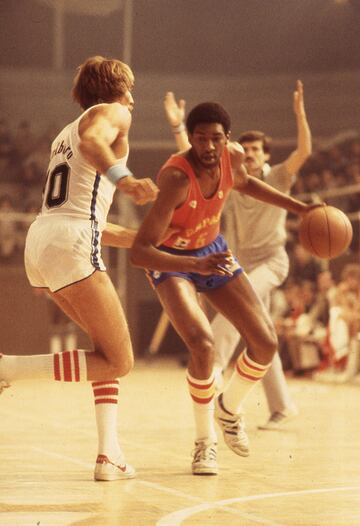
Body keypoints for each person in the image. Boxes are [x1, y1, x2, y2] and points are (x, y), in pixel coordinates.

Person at [130, 101, 318, 475]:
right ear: (192, 141)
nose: (209, 147)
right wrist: (191, 265)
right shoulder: (176, 179)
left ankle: (229, 409)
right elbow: (140, 251)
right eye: (201, 139)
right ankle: (205, 443)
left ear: (227, 139)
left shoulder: (233, 159)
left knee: (265, 343)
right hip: (173, 261)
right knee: (203, 344)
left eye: (216, 138)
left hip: (213, 252)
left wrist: (301, 209)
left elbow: (248, 184)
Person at [0, 55, 158, 481]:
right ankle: (8, 368)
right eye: (131, 89)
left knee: (102, 353)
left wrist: (145, 239)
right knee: (121, 360)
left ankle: (109, 454)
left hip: (45, 240)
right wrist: (127, 181)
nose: (133, 100)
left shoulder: (62, 136)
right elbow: (95, 142)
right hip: (70, 243)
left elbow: (86, 217)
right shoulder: (111, 114)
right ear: (118, 89)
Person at [163, 81, 311, 430]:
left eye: (258, 148)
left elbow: (304, 151)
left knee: (231, 320)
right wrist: (176, 127)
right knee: (258, 331)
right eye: (247, 148)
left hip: (272, 261)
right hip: (240, 259)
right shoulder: (227, 171)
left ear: (267, 154)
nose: (252, 152)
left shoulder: (278, 177)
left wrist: (300, 113)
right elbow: (196, 159)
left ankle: (213, 371)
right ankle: (282, 406)